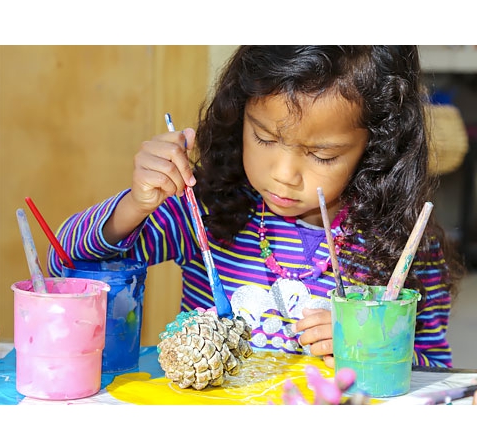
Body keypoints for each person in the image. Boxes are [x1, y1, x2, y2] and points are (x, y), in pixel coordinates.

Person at [48, 46, 464, 369]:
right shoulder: (205, 212)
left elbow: (436, 370)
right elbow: (63, 258)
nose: (283, 175)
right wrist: (137, 203)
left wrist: (374, 353)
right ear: (238, 117)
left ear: (376, 148)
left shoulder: (403, 249)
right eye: (264, 137)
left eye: (321, 154)